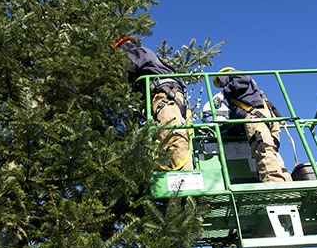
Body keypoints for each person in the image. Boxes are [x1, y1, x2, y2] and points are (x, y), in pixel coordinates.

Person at [113, 36, 193, 171]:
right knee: (164, 136)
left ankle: (184, 181)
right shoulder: (147, 54)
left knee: (172, 132)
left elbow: (130, 65)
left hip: (164, 94)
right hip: (169, 93)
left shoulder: (134, 50)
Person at [212, 67, 292, 182]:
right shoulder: (246, 93)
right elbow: (238, 118)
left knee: (262, 149)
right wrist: (227, 131)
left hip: (255, 118)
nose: (222, 86)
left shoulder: (237, 77)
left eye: (220, 83)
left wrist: (223, 93)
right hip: (266, 118)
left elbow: (241, 81)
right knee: (272, 151)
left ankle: (274, 184)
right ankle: (287, 182)